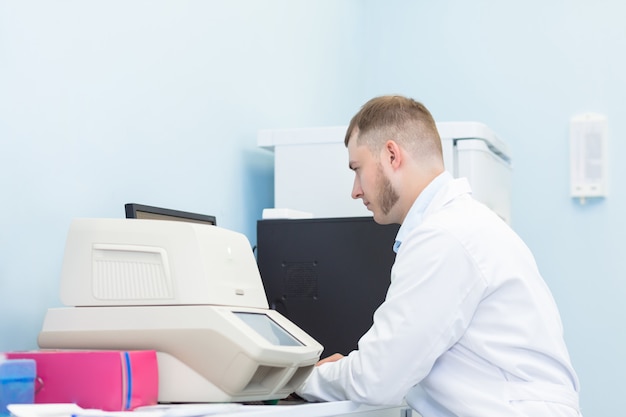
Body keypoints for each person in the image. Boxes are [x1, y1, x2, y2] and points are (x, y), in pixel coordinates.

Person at [295, 95, 582, 416]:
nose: (355, 190)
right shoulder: (466, 224)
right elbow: (401, 362)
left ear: (391, 155)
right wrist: (351, 368)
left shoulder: (444, 236)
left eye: (357, 169)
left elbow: (377, 379)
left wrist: (302, 377)